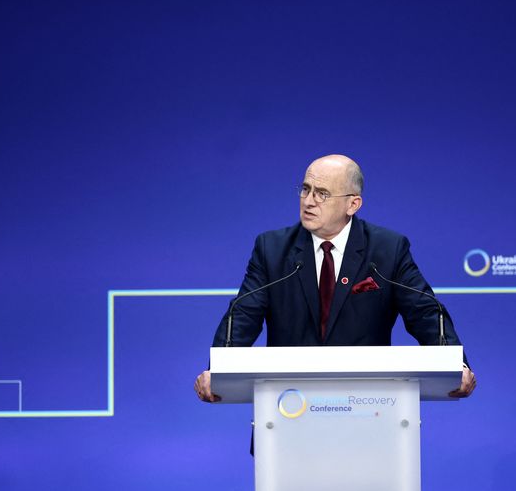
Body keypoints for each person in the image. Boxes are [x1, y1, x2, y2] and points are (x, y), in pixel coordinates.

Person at [194, 154, 476, 401]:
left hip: (371, 407)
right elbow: (243, 314)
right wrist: (217, 370)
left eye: (322, 194)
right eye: (305, 189)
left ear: (353, 204)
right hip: (287, 406)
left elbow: (425, 312)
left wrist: (455, 365)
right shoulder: (272, 249)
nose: (308, 201)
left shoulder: (387, 249)